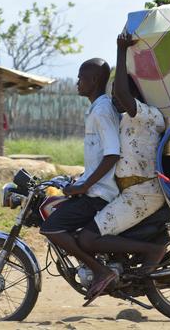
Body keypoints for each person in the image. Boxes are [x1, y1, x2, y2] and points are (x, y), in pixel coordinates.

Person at [77, 33, 167, 304]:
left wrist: (121, 51)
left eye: (118, 92)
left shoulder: (147, 115)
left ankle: (152, 251)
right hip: (128, 191)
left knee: (89, 238)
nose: (114, 97)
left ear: (131, 95)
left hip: (142, 192)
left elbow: (125, 97)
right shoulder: (127, 117)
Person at [39, 58, 121, 304]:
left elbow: (112, 153)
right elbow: (99, 157)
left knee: (51, 227)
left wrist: (85, 186)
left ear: (94, 80)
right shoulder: (97, 108)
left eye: (81, 77)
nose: (77, 82)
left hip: (99, 194)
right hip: (93, 188)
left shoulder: (102, 111)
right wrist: (78, 180)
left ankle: (100, 271)